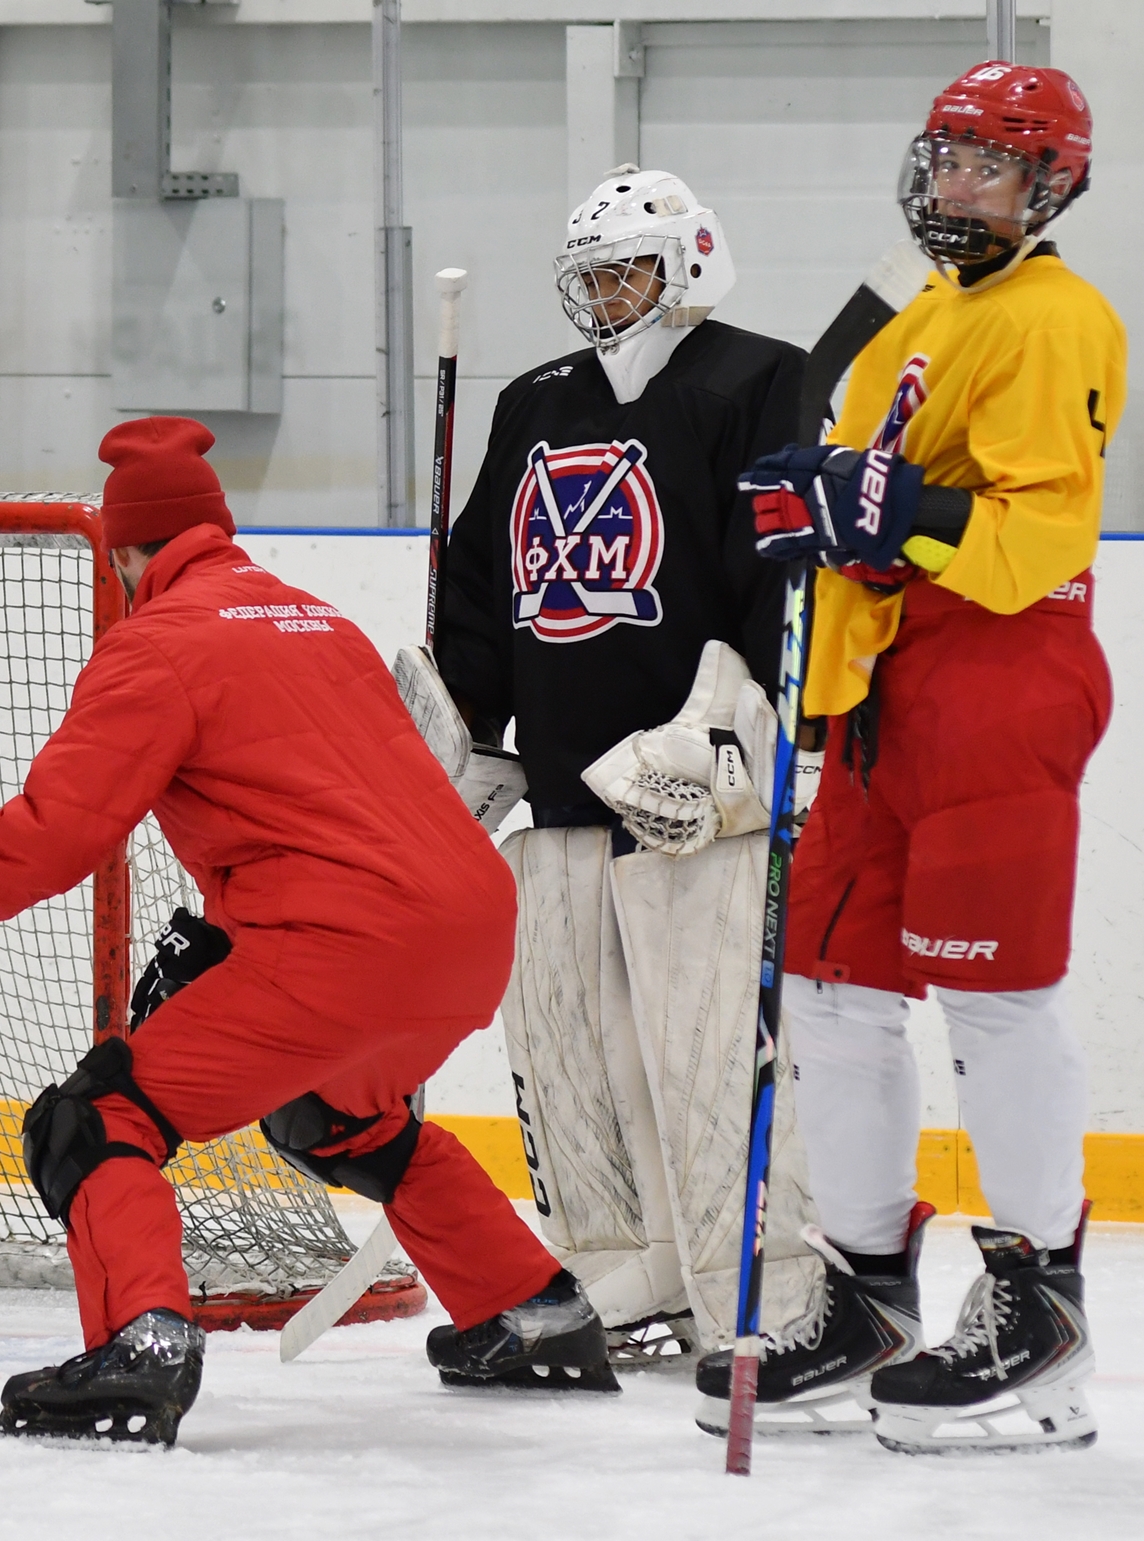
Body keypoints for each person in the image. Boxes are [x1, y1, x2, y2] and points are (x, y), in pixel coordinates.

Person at [0, 414, 610, 1447]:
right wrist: (231, 941)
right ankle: (532, 1307)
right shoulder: (316, 618)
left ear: (124, 552)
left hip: (342, 945)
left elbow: (54, 836)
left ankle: (140, 1341)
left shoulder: (156, 646)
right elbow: (320, 815)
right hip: (469, 928)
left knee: (92, 1120)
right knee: (338, 1116)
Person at [726, 61, 1124, 1455]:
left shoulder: (1057, 318)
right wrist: (815, 515)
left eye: (988, 165)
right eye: (946, 158)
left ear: (1047, 185)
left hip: (997, 681)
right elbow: (866, 502)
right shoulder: (922, 310)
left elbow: (1037, 537)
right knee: (830, 991)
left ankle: (1041, 1301)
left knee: (993, 1000)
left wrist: (883, 509)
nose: (957, 183)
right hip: (880, 695)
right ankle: (869, 1293)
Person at [434, 168, 823, 1369]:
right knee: (568, 1057)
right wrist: (462, 723)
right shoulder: (533, 400)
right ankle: (615, 1267)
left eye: (627, 272)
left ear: (690, 259)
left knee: (707, 1062)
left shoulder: (759, 380)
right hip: (560, 790)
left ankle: (764, 1293)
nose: (606, 295)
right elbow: (486, 578)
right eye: (590, 277)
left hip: (687, 799)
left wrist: (738, 735)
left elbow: (783, 579)